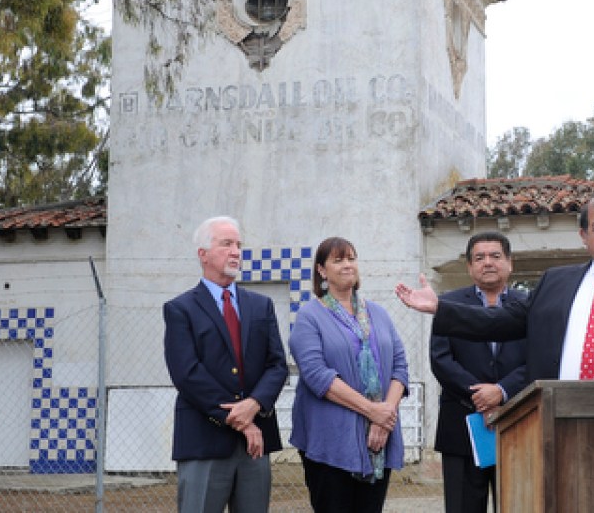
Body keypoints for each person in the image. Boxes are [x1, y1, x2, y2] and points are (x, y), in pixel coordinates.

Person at [395, 194, 594, 382]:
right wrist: (441, 308)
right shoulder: (555, 282)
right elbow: (500, 322)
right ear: (584, 236)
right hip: (557, 420)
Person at [163, 216, 288, 513]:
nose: (236, 252)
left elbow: (277, 365)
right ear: (203, 254)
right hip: (204, 440)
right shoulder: (181, 309)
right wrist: (241, 419)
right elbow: (187, 373)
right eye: (226, 244)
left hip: (255, 444)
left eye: (239, 245)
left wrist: (254, 404)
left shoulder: (261, 306)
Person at [289, 236, 409, 513]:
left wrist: (384, 417)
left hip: (379, 438)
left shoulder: (378, 313)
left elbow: (400, 367)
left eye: (351, 258)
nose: (347, 265)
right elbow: (317, 375)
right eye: (338, 259)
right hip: (330, 440)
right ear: (322, 270)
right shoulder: (309, 317)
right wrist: (372, 411)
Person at [430, 232, 528, 513]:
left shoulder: (530, 305)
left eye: (496, 256)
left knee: (518, 504)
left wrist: (501, 391)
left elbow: (539, 358)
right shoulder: (447, 305)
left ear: (510, 263)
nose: (488, 263)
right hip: (462, 426)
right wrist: (481, 396)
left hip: (519, 422)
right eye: (479, 258)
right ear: (470, 267)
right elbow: (441, 359)